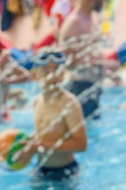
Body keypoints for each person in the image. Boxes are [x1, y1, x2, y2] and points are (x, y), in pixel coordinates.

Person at [13, 50, 88, 179]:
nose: (52, 75)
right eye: (46, 71)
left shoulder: (69, 103)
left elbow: (81, 144)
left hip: (65, 171)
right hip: (40, 167)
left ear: (63, 74)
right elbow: (43, 133)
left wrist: (40, 147)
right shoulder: (37, 101)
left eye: (57, 70)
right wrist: (28, 144)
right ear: (35, 75)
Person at [58, 0, 111, 120]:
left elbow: (87, 56)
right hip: (78, 89)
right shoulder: (74, 22)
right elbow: (68, 61)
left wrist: (106, 68)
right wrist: (103, 65)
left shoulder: (88, 20)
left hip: (90, 87)